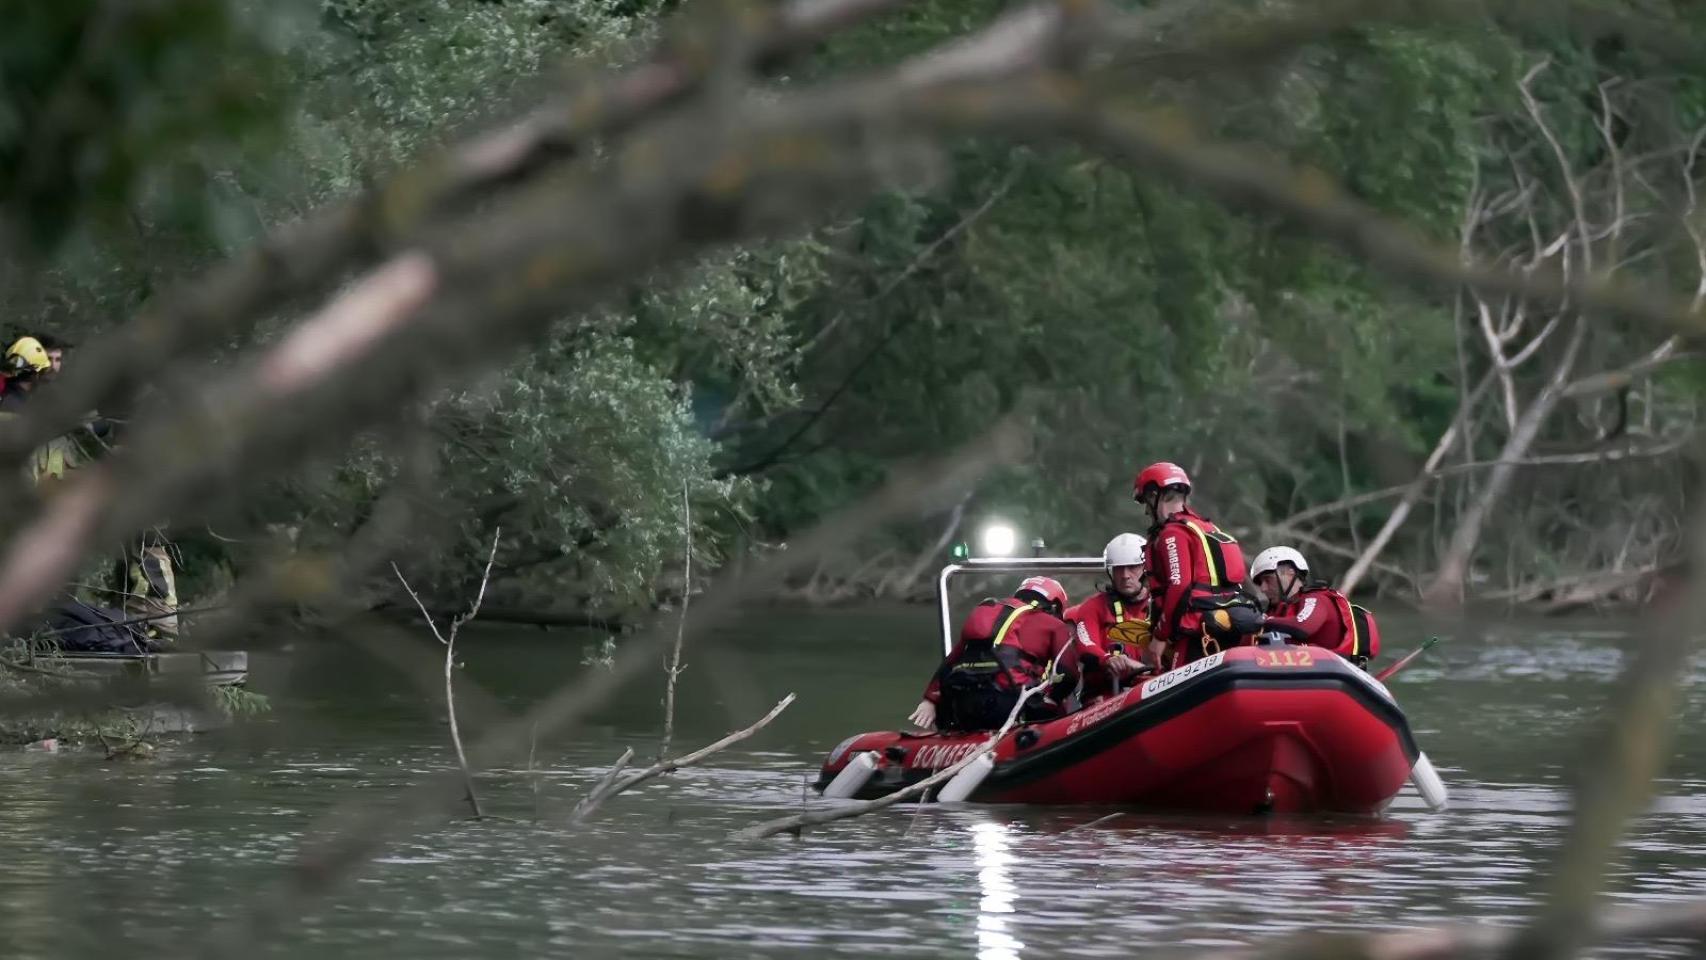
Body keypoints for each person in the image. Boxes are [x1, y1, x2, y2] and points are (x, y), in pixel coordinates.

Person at [909, 576, 1134, 732]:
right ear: (1056, 606)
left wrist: (930, 700)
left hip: (961, 704)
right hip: (1008, 707)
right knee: (1051, 709)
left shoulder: (988, 612)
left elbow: (952, 660)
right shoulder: (1053, 625)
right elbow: (1068, 674)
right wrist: (1052, 700)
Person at [1133, 461, 1262, 669]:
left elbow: (1179, 585)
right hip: (1231, 623)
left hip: (1196, 631)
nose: (1147, 511)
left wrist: (1160, 637)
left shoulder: (1172, 533)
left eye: (1146, 503)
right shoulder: (1207, 527)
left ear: (1153, 495)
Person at [1251, 546, 1381, 669]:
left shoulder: (1316, 598)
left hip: (1330, 671)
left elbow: (1303, 627)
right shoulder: (1277, 610)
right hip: (1294, 672)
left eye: (1268, 580)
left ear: (1290, 572)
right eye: (1260, 583)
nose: (1263, 588)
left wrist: (1264, 621)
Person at [1066, 533, 1160, 678]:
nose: (1125, 575)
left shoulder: (1161, 604)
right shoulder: (1093, 606)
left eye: (1132, 567)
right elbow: (1085, 644)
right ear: (1111, 571)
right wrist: (1108, 659)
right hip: (1109, 689)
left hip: (1160, 685)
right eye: (1118, 568)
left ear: (1145, 568)